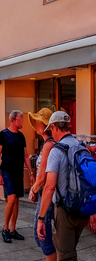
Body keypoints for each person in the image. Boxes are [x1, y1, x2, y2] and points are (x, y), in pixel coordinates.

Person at [37, 110, 88, 261]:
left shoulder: (56, 151)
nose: (51, 133)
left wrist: (41, 218)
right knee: (70, 250)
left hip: (65, 212)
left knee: (65, 257)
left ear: (54, 126)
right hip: (83, 211)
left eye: (51, 129)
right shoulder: (81, 147)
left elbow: (49, 186)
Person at [27, 108, 56, 261]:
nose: (36, 123)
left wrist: (33, 190)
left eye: (38, 120)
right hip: (45, 192)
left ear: (45, 125)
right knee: (41, 234)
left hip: (47, 193)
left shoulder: (48, 145)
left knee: (42, 234)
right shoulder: (47, 143)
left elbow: (42, 176)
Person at [0, 110, 29, 243]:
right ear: (13, 120)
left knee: (16, 200)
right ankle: (5, 229)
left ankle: (13, 229)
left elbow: (26, 156)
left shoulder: (21, 136)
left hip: (18, 172)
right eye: (20, 119)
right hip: (7, 171)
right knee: (11, 199)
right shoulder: (3, 135)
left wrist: (31, 173)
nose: (21, 122)